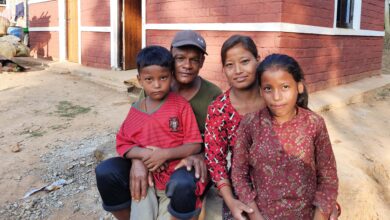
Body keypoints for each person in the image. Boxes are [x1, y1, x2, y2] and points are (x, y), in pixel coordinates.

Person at [95, 45, 207, 220]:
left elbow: (194, 144)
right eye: (149, 79)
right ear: (139, 80)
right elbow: (123, 143)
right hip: (145, 181)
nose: (157, 85)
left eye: (163, 78)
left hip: (173, 180)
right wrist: (143, 154)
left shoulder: (180, 106)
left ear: (171, 76)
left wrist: (164, 154)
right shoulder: (136, 110)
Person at [231, 54, 339, 219]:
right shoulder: (250, 124)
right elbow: (239, 174)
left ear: (299, 87)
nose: (276, 97)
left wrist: (321, 215)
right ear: (261, 91)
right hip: (263, 214)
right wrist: (254, 215)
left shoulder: (314, 123)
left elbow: (328, 176)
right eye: (268, 88)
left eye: (285, 87)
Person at [204, 35, 265, 220]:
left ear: (258, 60)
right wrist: (230, 200)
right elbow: (215, 159)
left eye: (245, 61)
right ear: (224, 70)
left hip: (284, 177)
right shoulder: (219, 109)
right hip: (242, 183)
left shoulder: (274, 98)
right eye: (230, 65)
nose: (238, 70)